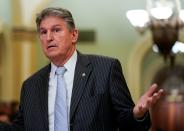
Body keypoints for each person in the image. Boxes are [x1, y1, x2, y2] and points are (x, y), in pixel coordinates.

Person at [0, 7, 163, 131]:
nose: (48, 37)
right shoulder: (30, 86)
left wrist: (137, 114)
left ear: (74, 35)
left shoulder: (105, 69)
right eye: (43, 32)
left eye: (56, 30)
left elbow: (128, 124)